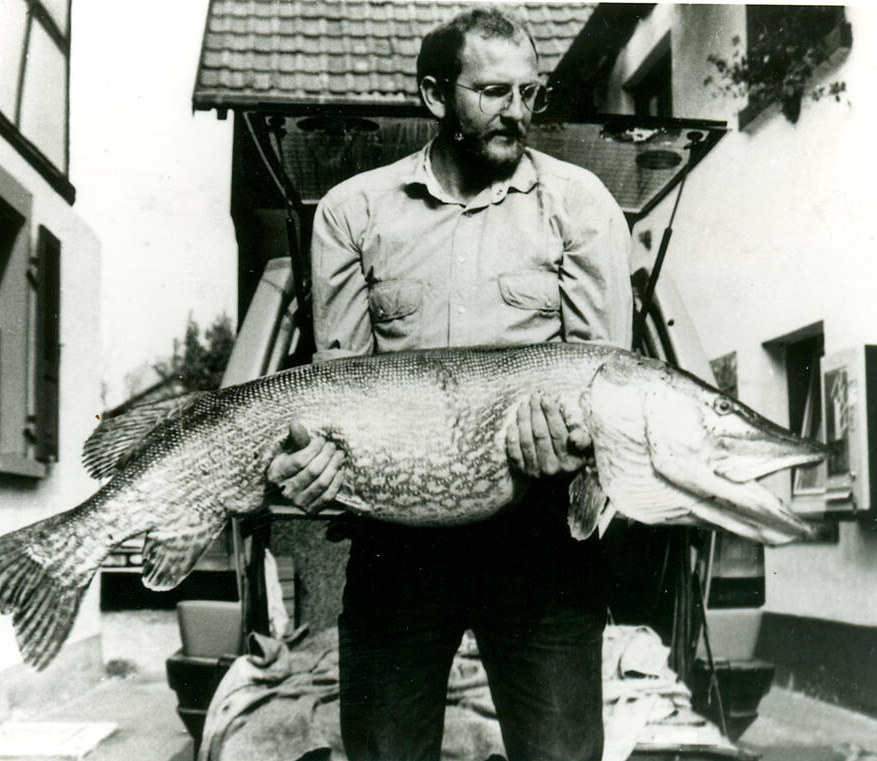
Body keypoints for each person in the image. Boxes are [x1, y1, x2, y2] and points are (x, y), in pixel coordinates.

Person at [267, 8, 633, 761]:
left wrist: (571, 447)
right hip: (397, 551)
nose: (519, 112)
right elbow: (341, 401)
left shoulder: (583, 206)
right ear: (436, 97)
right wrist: (311, 467)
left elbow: (605, 388)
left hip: (541, 547)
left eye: (530, 92)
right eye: (494, 92)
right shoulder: (352, 212)